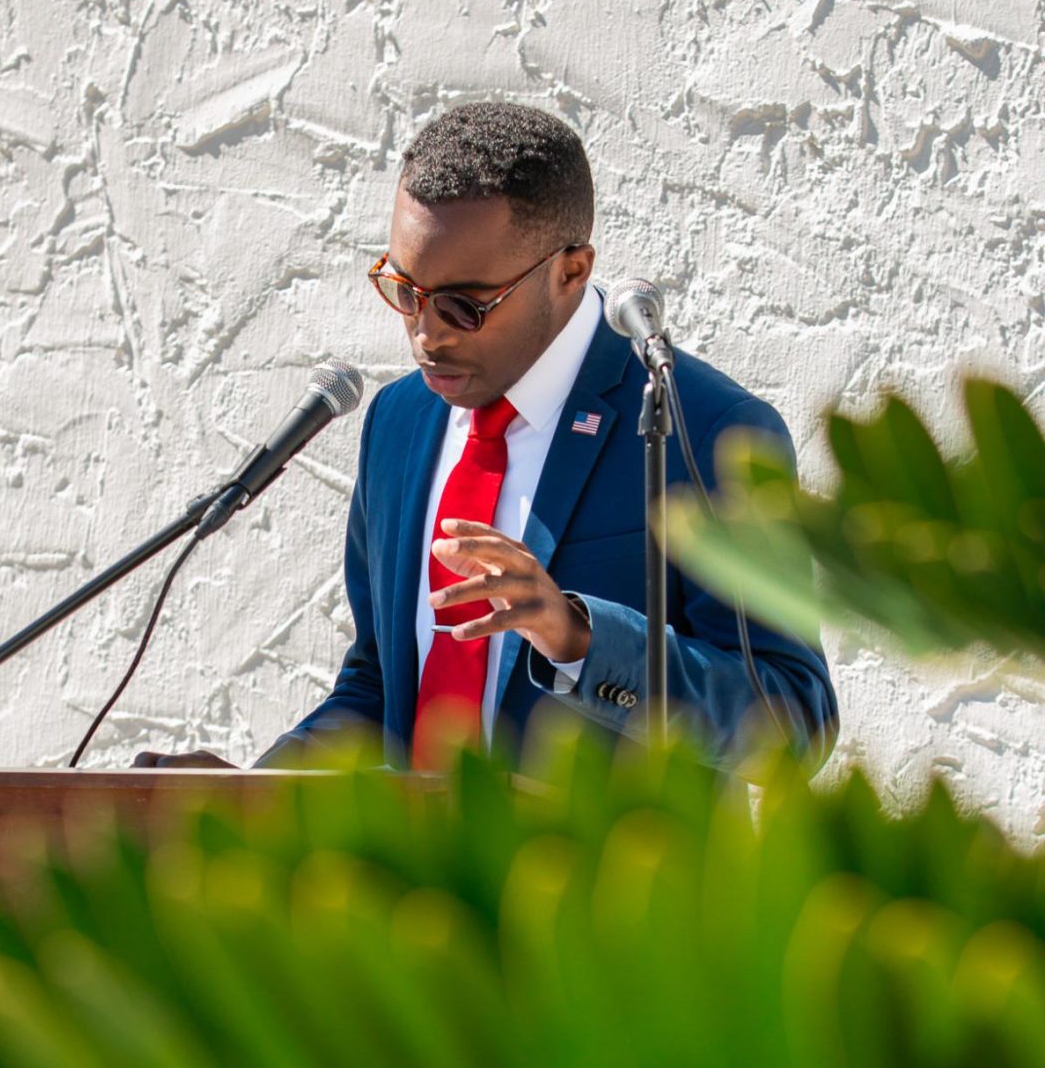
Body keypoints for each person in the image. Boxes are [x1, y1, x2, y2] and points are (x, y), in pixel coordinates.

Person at [137, 102, 837, 774]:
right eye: (404, 288)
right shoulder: (398, 420)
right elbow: (383, 688)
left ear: (571, 272)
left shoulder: (704, 432)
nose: (424, 333)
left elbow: (793, 725)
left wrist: (580, 638)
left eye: (465, 306)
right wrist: (246, 796)